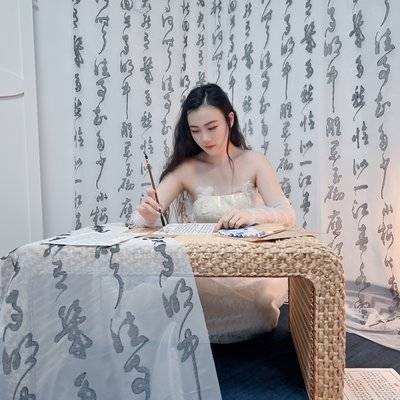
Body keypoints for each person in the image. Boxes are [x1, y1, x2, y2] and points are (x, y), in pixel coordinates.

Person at [134, 83, 295, 343]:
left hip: (248, 271)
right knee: (164, 299)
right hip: (205, 271)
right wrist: (149, 216)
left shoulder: (254, 161)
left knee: (256, 310)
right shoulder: (187, 168)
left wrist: (253, 214)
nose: (205, 138)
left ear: (229, 120)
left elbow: (286, 213)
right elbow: (141, 218)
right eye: (195, 130)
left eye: (212, 127)